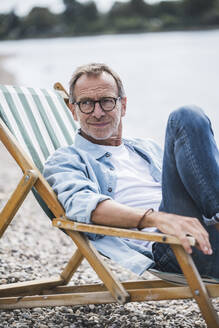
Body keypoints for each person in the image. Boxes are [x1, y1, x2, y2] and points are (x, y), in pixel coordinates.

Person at [43, 63, 219, 277]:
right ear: (74, 110)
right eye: (86, 103)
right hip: (173, 244)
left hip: (205, 227)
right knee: (185, 116)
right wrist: (157, 219)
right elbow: (84, 206)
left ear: (123, 106)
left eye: (107, 102)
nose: (97, 113)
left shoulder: (146, 148)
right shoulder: (66, 160)